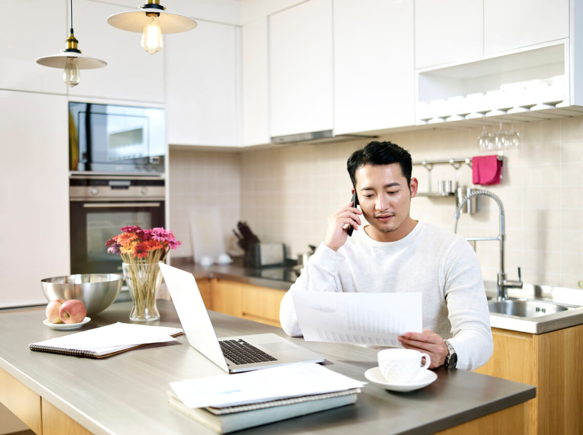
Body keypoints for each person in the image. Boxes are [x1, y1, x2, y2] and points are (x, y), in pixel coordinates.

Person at [279, 141, 493, 371]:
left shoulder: (452, 250)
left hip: (425, 380)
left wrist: (448, 351)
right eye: (369, 194)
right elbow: (293, 324)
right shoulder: (340, 251)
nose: (381, 205)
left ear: (412, 188)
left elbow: (479, 337)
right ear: (355, 198)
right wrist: (328, 248)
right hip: (355, 378)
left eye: (392, 192)